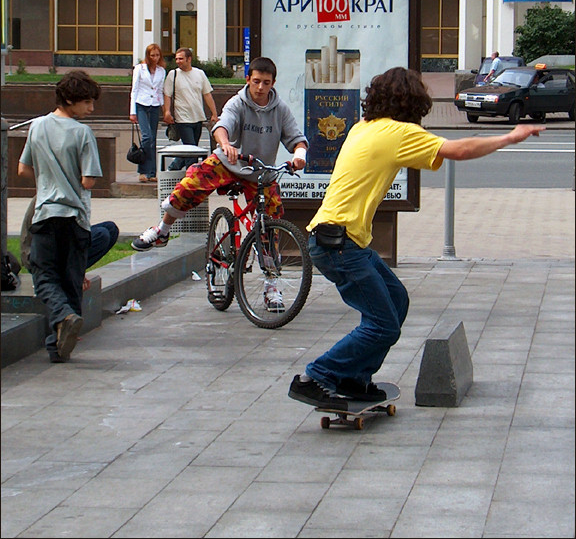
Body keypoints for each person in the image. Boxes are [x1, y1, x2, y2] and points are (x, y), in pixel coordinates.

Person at [288, 66, 546, 408]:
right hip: (340, 245)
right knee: (383, 325)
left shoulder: (363, 128)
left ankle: (354, 378)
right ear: (413, 103)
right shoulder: (397, 133)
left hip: (341, 241)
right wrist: (510, 137)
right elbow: (460, 151)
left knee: (397, 301)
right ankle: (316, 376)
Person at [131, 56, 309, 310]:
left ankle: (272, 286)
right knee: (190, 185)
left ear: (273, 83)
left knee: (271, 225)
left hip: (260, 172)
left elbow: (297, 139)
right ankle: (162, 230)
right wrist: (225, 144)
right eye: (256, 81)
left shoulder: (280, 110)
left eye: (266, 83)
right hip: (229, 163)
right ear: (248, 80)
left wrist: (299, 156)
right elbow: (222, 126)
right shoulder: (238, 102)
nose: (260, 87)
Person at [17, 70, 103, 364]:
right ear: (69, 99)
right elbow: (89, 180)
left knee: (43, 273)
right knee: (70, 279)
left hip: (44, 214)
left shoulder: (38, 126)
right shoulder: (82, 133)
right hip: (75, 217)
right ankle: (64, 328)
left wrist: (48, 181)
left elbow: (23, 169)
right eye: (87, 102)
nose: (91, 109)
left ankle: (57, 345)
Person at [19, 195, 119, 290]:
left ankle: (70, 271)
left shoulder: (67, 193)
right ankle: (64, 274)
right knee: (102, 235)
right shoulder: (54, 198)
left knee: (111, 229)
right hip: (40, 258)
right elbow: (59, 237)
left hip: (57, 246)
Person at [164, 47, 219, 170]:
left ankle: (173, 168)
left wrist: (214, 113)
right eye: (176, 59)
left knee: (191, 148)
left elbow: (207, 94)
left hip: (198, 117)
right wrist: (167, 111)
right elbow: (167, 95)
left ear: (189, 59)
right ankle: (192, 177)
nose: (178, 61)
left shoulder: (199, 74)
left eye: (181, 59)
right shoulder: (173, 75)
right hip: (182, 119)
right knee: (192, 150)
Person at [129, 43, 166, 183]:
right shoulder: (140, 69)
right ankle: (143, 170)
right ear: (148, 56)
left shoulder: (161, 71)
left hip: (154, 105)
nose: (155, 58)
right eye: (152, 55)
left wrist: (165, 110)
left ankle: (152, 172)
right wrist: (133, 112)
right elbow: (134, 89)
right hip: (141, 104)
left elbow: (160, 90)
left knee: (153, 139)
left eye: (157, 55)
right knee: (146, 137)